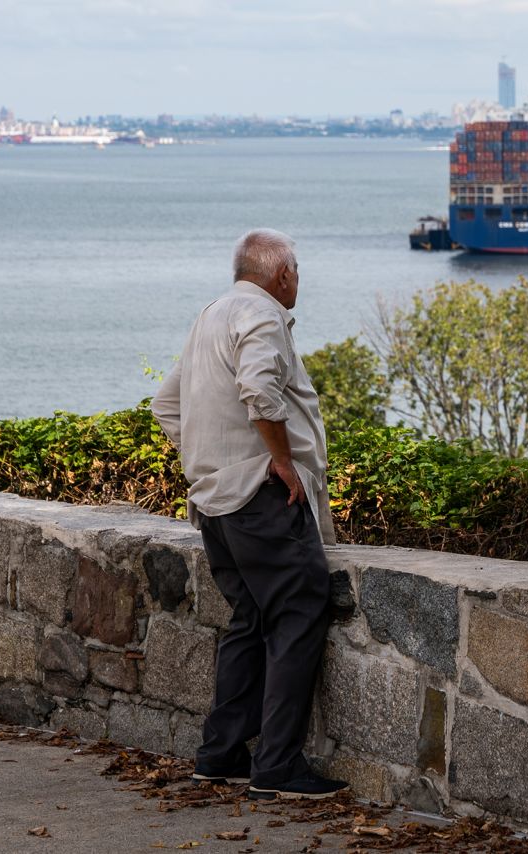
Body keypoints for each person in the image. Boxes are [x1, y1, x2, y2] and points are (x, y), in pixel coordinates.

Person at [151, 228, 347, 800]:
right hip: (260, 501)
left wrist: (209, 460)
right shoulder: (262, 317)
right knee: (300, 607)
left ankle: (220, 754)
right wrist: (277, 463)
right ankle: (278, 765)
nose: (298, 282)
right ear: (281, 274)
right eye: (297, 272)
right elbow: (260, 391)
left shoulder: (211, 314)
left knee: (250, 618)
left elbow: (167, 403)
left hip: (212, 501)